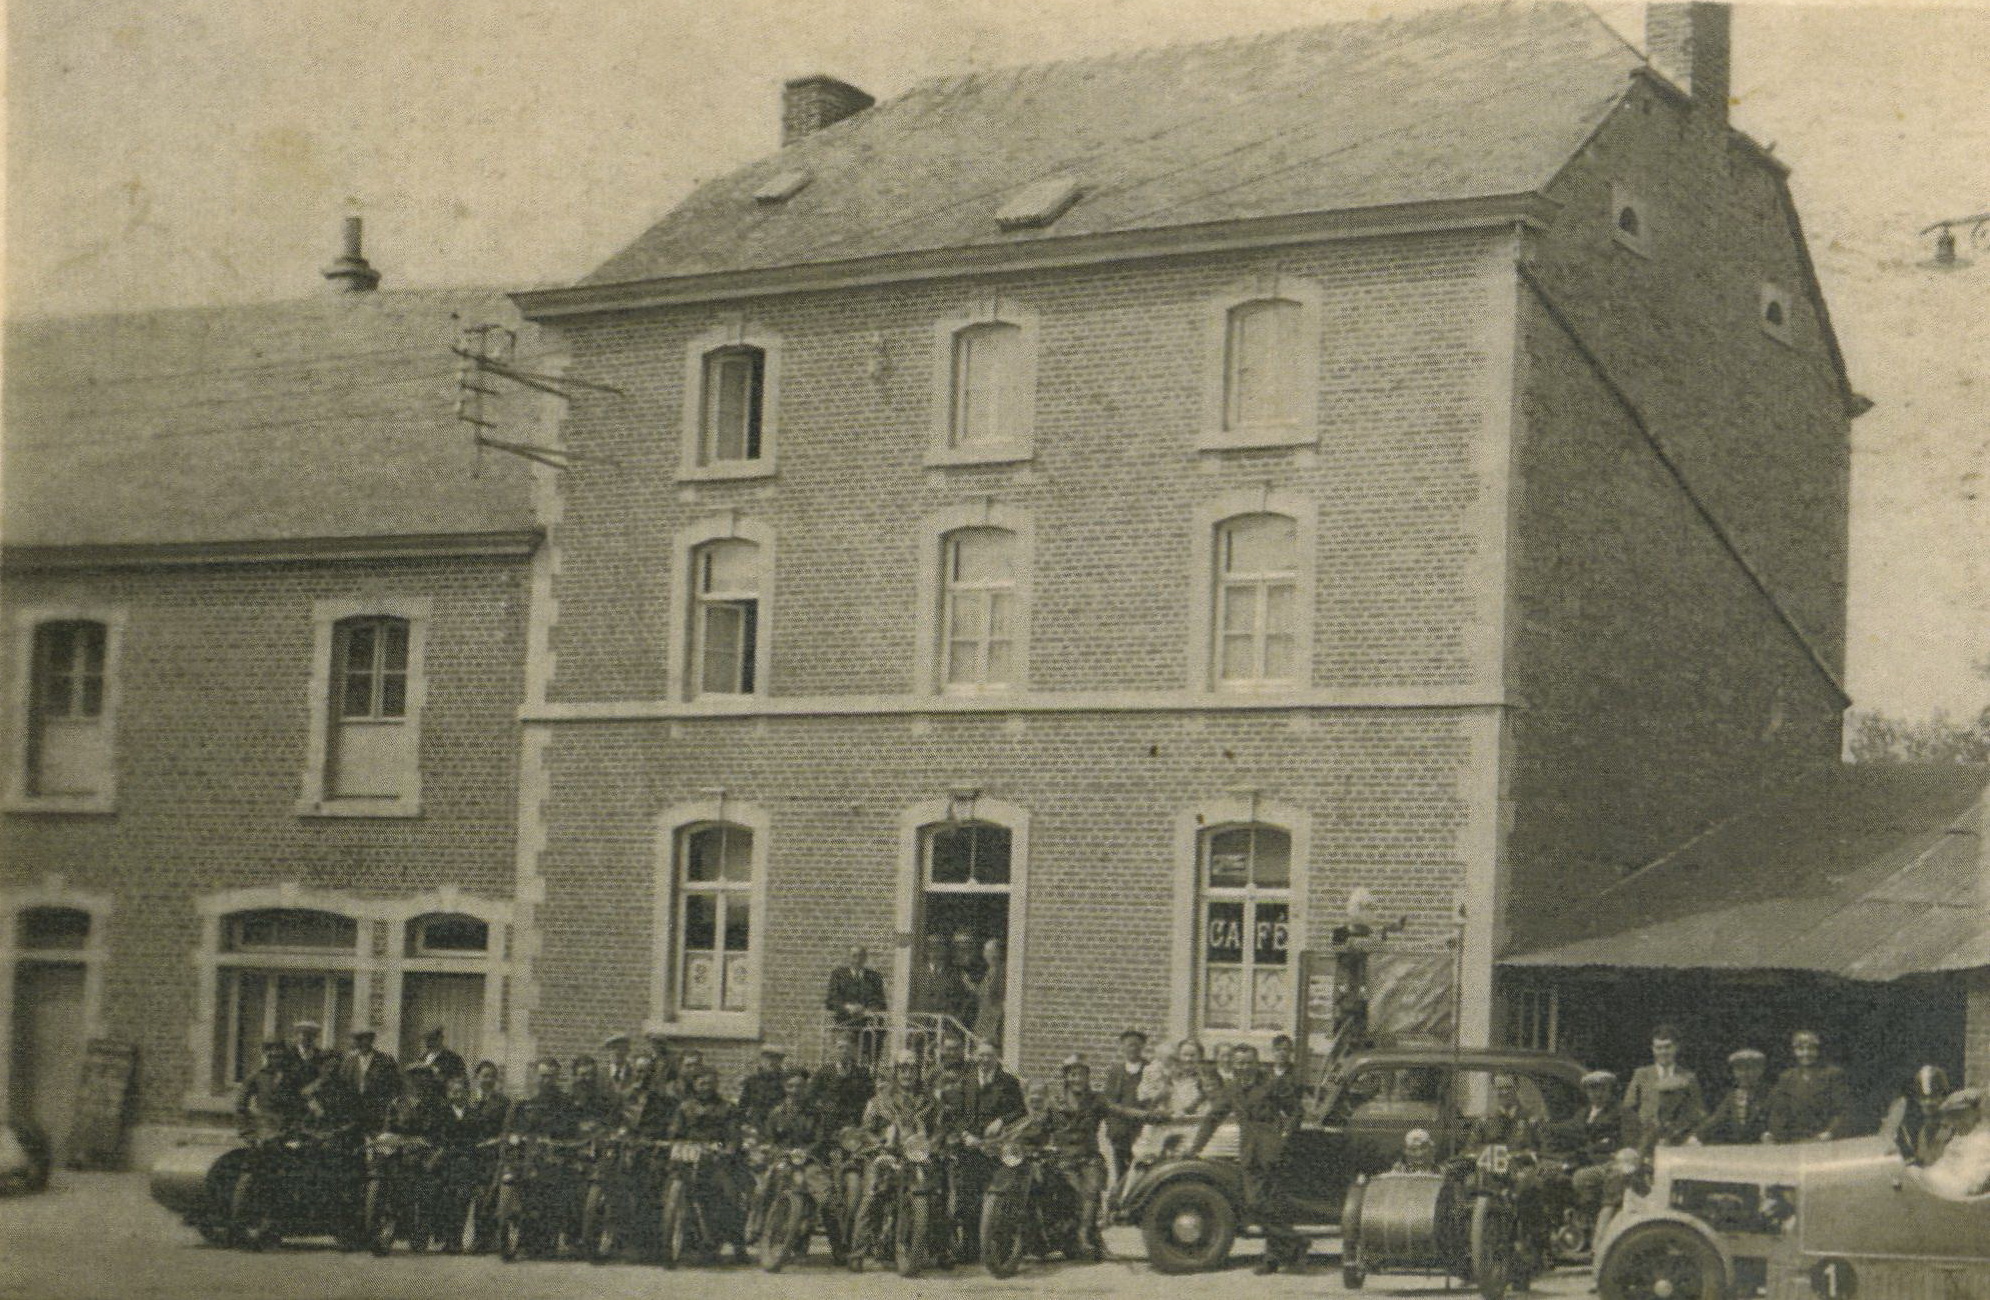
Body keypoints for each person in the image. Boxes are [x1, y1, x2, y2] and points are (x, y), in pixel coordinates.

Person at [1187, 1044, 1309, 1275]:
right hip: (1248, 1152)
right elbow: (1213, 1118)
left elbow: (1296, 1111)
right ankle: (1295, 1242)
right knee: (1255, 1204)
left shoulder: (1271, 1083)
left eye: (1248, 1062)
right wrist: (1195, 1149)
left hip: (1272, 1152)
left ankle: (1273, 1258)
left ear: (1256, 1064)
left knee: (1271, 1204)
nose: (1243, 1067)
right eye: (1239, 1063)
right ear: (1233, 1065)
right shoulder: (1232, 1089)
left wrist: (1284, 1136)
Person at [849, 1051, 938, 1271]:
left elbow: (939, 1129)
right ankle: (857, 1251)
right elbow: (865, 1130)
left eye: (912, 1069)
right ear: (896, 1072)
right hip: (886, 1155)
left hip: (917, 1156)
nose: (908, 1073)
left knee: (937, 1194)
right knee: (872, 1195)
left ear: (918, 1072)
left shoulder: (929, 1100)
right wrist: (880, 1144)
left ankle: (939, 1248)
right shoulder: (880, 1100)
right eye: (903, 1069)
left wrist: (934, 1144)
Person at [671, 1066, 751, 1260]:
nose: (706, 1087)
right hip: (689, 1156)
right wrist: (675, 1142)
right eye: (701, 1083)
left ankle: (736, 1242)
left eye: (710, 1083)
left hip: (716, 1158)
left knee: (729, 1195)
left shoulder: (727, 1108)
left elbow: (733, 1135)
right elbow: (675, 1132)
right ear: (694, 1085)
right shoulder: (684, 1107)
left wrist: (728, 1149)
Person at [1042, 1058, 1117, 1260]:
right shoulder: (1054, 1101)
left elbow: (1121, 1111)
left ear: (1087, 1077)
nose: (1078, 1079)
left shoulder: (1097, 1100)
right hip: (1064, 1160)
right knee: (1073, 1192)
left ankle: (1084, 1235)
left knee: (1091, 1192)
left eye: (1082, 1075)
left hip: (1090, 1158)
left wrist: (1150, 1116)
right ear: (1066, 1077)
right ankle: (1078, 1238)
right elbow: (1039, 1126)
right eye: (1073, 1074)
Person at [1621, 1025, 1706, 1154]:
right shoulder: (1641, 1075)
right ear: (1653, 1049)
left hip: (1679, 1139)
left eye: (1667, 1047)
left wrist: (1684, 1133)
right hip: (1645, 1139)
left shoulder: (1688, 1077)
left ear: (1676, 1048)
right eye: (1659, 1048)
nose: (1663, 1052)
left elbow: (1699, 1112)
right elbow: (1628, 1108)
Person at [1767, 1029, 1854, 1142]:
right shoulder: (1787, 1078)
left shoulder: (1832, 1074)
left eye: (1811, 1049)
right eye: (1800, 1049)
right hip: (1793, 1141)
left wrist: (1830, 1133)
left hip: (1824, 1139)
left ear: (1818, 1050)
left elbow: (1843, 1111)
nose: (1806, 1054)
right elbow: (1779, 1112)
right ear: (1794, 1051)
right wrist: (1774, 1134)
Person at [1102, 1029, 1149, 1194]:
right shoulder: (1116, 1071)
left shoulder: (1149, 1069)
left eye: (1137, 1045)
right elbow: (1108, 1102)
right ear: (1122, 1047)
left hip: (1143, 1129)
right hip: (1121, 1129)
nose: (1133, 1049)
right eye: (1129, 1045)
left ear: (1142, 1047)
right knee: (1121, 1170)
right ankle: (1120, 1201)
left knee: (1142, 1168)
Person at [1919, 1089, 1990, 1198]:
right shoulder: (1957, 1136)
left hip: (1962, 1185)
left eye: (1959, 1117)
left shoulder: (1982, 1139)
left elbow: (1975, 1180)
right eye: (1954, 1118)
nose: (1955, 1123)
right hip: (1947, 1178)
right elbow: (1938, 1161)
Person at [1695, 1049, 1772, 1145]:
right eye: (1739, 1069)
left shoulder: (1771, 1093)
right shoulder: (1732, 1097)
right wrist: (1695, 1136)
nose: (1745, 1074)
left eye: (1750, 1068)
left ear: (1760, 1070)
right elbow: (1716, 1120)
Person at [1880, 1064, 1952, 1165]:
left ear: (1944, 1096)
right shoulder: (1924, 1131)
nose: (1928, 1102)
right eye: (1923, 1097)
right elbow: (1923, 1164)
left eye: (1934, 1096)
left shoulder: (1954, 1129)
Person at [237, 1040, 307, 1140]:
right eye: (271, 1055)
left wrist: (298, 1130)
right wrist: (246, 1131)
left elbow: (302, 1105)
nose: (275, 1059)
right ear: (266, 1055)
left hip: (288, 1132)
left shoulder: (293, 1078)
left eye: (279, 1055)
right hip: (263, 1131)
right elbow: (241, 1105)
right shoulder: (256, 1077)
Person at [810, 1028, 876, 1133]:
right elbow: (811, 1095)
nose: (844, 1051)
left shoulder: (862, 1074)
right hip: (828, 1124)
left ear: (854, 1050)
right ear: (835, 1049)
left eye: (848, 1048)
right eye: (840, 1047)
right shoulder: (824, 1072)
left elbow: (871, 1097)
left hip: (852, 1124)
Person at [343, 1028, 402, 1135]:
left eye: (364, 1039)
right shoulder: (349, 1063)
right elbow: (343, 1087)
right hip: (354, 1114)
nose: (361, 1043)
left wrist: (387, 1108)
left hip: (377, 1113)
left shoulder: (385, 1061)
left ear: (371, 1040)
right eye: (358, 1039)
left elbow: (395, 1086)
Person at [504, 1058, 578, 1139]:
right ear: (534, 1075)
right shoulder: (522, 1101)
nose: (547, 1080)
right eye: (543, 1076)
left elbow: (568, 1128)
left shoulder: (565, 1101)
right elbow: (510, 1127)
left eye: (551, 1076)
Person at [825, 945, 887, 1035]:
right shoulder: (838, 976)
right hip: (844, 1025)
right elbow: (832, 1000)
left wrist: (867, 1010)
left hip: (868, 1027)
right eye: (854, 956)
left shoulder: (874, 977)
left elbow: (880, 1001)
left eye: (861, 956)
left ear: (865, 958)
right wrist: (849, 1007)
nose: (857, 960)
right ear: (848, 957)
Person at [738, 1045, 790, 1133]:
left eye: (776, 1059)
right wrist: (744, 1124)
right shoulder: (752, 1081)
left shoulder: (786, 1081)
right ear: (761, 1060)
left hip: (778, 1125)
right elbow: (742, 1106)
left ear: (781, 1061)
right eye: (768, 1058)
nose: (771, 1062)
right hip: (756, 1125)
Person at [568, 1055, 621, 1130]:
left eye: (592, 1074)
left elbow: (610, 1117)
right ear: (575, 1076)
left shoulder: (605, 1096)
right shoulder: (567, 1098)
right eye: (584, 1075)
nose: (589, 1078)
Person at [970, 937, 1006, 1047]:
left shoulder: (1000, 972)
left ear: (998, 953)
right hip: (983, 1021)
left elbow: (995, 998)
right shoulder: (990, 971)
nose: (986, 955)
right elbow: (983, 994)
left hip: (991, 1024)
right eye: (985, 951)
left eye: (989, 951)